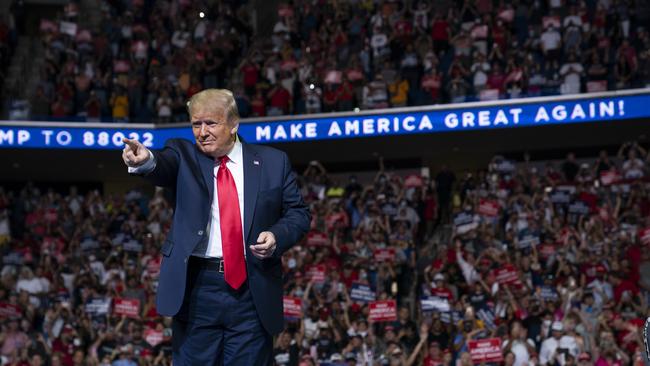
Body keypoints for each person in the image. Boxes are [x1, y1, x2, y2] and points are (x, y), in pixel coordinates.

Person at [121, 88, 310, 365]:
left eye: (211, 123)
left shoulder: (272, 161)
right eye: (196, 124)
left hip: (252, 289)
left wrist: (276, 236)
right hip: (197, 289)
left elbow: (299, 214)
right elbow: (162, 164)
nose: (202, 132)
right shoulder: (182, 153)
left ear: (233, 124)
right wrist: (145, 160)